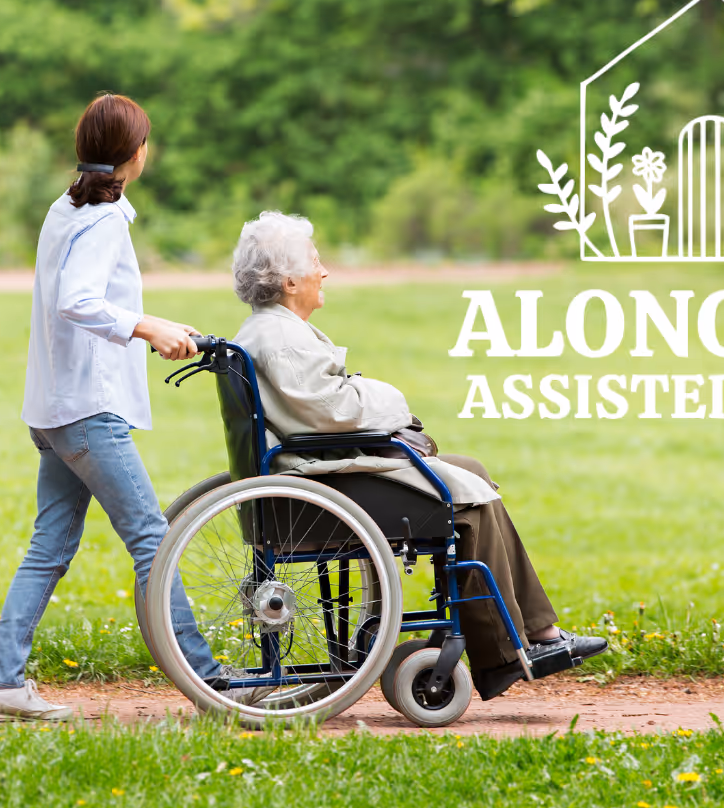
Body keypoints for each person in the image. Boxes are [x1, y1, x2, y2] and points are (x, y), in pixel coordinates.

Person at [229, 211, 607, 701]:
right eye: (316, 262)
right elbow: (332, 410)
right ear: (289, 280)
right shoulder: (279, 340)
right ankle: (512, 650)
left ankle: (534, 633)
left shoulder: (269, 332)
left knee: (471, 472)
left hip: (318, 472)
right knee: (466, 498)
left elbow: (322, 407)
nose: (325, 272)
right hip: (323, 484)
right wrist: (393, 400)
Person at [0, 94, 228, 721]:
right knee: (154, 541)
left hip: (55, 409)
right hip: (86, 412)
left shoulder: (65, 209)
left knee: (50, 545)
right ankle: (213, 681)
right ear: (136, 153)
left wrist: (150, 325)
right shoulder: (104, 220)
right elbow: (77, 301)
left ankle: (2, 682)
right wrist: (146, 326)